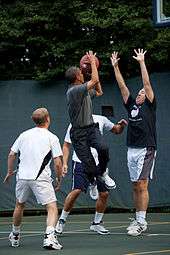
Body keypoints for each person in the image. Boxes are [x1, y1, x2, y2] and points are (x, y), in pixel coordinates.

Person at [55, 114, 127, 235]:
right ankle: (62, 220)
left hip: (97, 163)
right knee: (77, 190)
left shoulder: (101, 119)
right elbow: (66, 145)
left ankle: (96, 224)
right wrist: (65, 163)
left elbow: (116, 130)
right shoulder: (75, 123)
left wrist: (122, 125)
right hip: (80, 161)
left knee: (104, 193)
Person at [111, 49, 157, 236]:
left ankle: (141, 221)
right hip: (131, 149)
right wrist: (115, 67)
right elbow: (122, 86)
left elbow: (146, 83)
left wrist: (141, 62)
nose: (140, 93)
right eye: (138, 92)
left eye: (142, 92)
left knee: (142, 184)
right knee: (135, 185)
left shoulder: (150, 105)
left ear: (147, 96)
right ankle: (138, 218)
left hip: (146, 148)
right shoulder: (131, 106)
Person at [4, 108, 63, 250]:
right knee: (52, 207)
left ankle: (15, 235)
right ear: (48, 119)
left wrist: (9, 172)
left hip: (22, 177)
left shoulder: (23, 135)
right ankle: (49, 238)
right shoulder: (52, 137)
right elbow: (57, 162)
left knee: (19, 205)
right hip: (40, 178)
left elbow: (12, 155)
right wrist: (59, 178)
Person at [65, 50, 115, 188]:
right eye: (80, 73)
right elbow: (95, 80)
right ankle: (93, 180)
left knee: (103, 149)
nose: (82, 73)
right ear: (76, 77)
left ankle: (103, 172)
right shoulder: (74, 91)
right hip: (78, 134)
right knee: (90, 166)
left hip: (91, 129)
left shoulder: (84, 90)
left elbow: (99, 91)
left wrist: (94, 70)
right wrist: (93, 62)